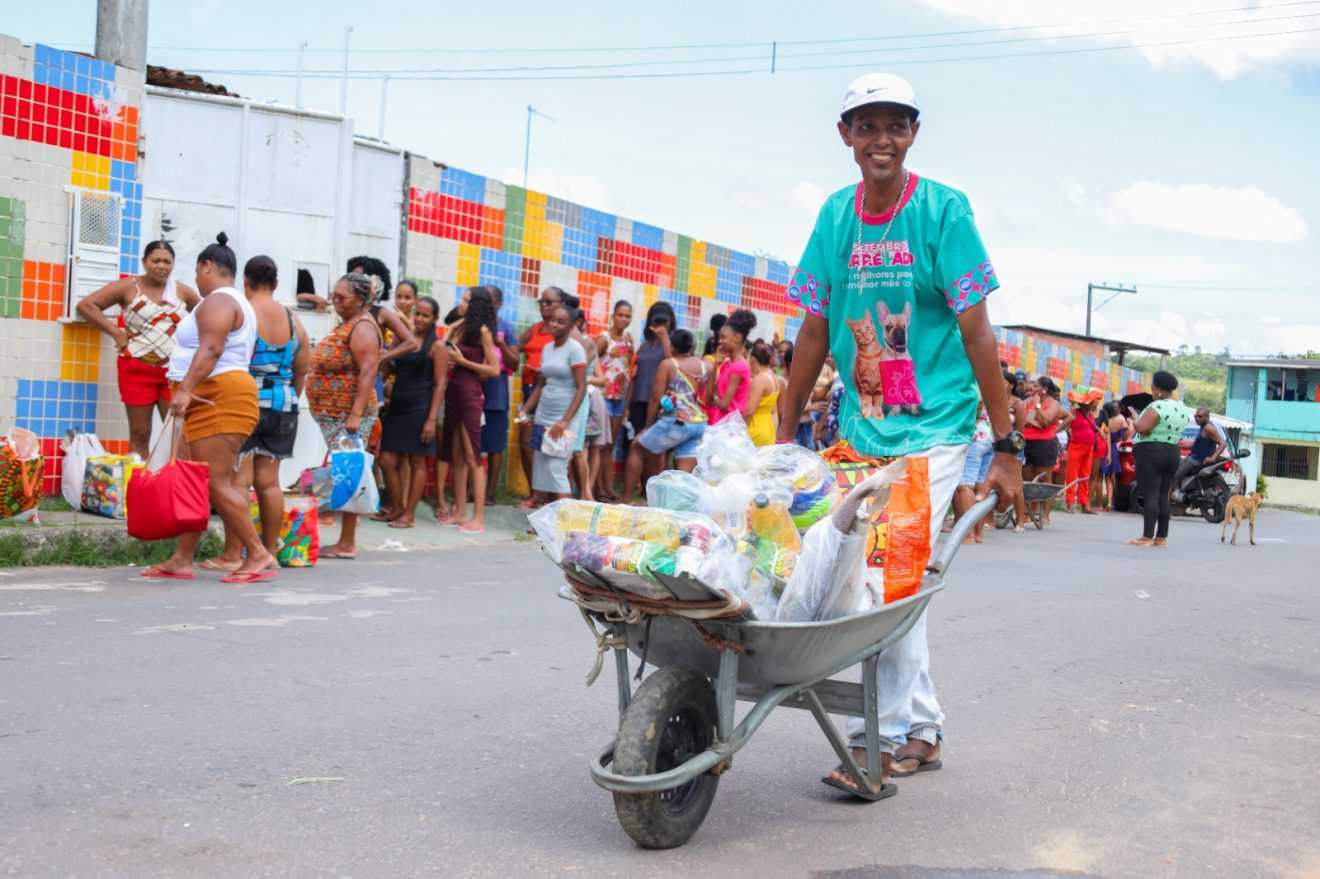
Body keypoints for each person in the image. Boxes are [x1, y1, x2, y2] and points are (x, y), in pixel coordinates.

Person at [775, 73, 1022, 795]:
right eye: (867, 125)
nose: (882, 139)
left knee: (884, 572)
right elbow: (816, 327)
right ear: (846, 135)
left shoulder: (944, 212)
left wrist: (1004, 449)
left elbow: (977, 332)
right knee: (863, 567)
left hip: (936, 429)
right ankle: (920, 725)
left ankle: (877, 739)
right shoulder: (834, 218)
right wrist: (785, 430)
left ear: (913, 133)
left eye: (896, 125)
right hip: (862, 426)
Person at [140, 233, 276, 583]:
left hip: (218, 396)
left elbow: (211, 349)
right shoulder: (229, 301)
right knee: (196, 481)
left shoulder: (218, 300)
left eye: (197, 272)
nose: (195, 281)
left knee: (215, 483)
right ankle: (182, 558)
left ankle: (257, 553)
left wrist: (184, 390)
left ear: (207, 267)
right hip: (211, 396)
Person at [205, 255, 312, 572]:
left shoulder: (245, 314)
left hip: (246, 402)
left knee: (239, 480)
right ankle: (266, 551)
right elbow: (302, 369)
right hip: (284, 403)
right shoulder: (294, 320)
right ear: (276, 284)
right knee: (270, 483)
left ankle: (232, 554)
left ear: (245, 283)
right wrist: (288, 399)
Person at [76, 240, 201, 458]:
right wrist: (116, 332)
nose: (161, 266)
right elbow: (87, 305)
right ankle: (138, 486)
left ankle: (177, 488)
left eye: (166, 262)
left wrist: (192, 347)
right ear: (144, 262)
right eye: (156, 260)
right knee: (140, 433)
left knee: (177, 434)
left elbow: (207, 316)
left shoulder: (182, 291)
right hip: (136, 371)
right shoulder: (128, 287)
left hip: (173, 374)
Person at [306, 272, 384, 559]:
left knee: (350, 473)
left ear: (361, 300)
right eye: (334, 294)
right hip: (336, 414)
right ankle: (345, 539)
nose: (335, 300)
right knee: (346, 472)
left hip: (348, 415)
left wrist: (355, 414)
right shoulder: (350, 323)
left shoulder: (362, 326)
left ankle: (347, 542)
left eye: (342, 296)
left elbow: (368, 371)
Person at [377, 296, 448, 528]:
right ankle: (397, 507)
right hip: (397, 406)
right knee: (386, 459)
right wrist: (390, 348)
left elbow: (440, 385)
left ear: (434, 320)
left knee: (417, 461)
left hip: (420, 409)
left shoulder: (436, 347)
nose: (419, 319)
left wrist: (431, 419)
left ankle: (409, 514)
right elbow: (386, 370)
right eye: (417, 313)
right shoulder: (404, 340)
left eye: (425, 315)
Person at [440, 287, 501, 533]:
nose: (461, 304)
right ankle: (460, 511)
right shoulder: (464, 327)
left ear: (476, 305)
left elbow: (495, 369)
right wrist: (453, 329)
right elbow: (445, 347)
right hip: (454, 392)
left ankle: (478, 518)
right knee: (458, 457)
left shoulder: (484, 332)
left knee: (473, 457)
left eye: (466, 300)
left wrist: (465, 363)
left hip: (469, 395)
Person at [622, 328, 708, 500]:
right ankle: (682, 508)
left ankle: (626, 499)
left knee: (637, 448)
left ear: (673, 347)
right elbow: (708, 395)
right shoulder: (706, 365)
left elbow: (655, 398)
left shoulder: (668, 365)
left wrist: (647, 427)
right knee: (685, 472)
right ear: (691, 346)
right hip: (699, 423)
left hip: (677, 422)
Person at [519, 301, 588, 507]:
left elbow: (581, 387)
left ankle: (565, 525)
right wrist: (525, 410)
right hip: (542, 416)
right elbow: (540, 385)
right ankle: (546, 521)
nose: (555, 324)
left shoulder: (575, 350)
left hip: (563, 419)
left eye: (561, 321)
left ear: (570, 326)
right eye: (552, 320)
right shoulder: (548, 349)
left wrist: (566, 420)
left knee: (557, 469)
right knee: (541, 469)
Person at [1129, 371, 1190, 547]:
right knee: (1163, 494)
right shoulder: (1181, 408)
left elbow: (1143, 428)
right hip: (1172, 452)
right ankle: (1161, 537)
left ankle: (1147, 537)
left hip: (1151, 452)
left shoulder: (1157, 406)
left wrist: (1135, 418)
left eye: (1153, 385)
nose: (1151, 388)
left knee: (1150, 495)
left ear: (1159, 389)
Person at [517, 288, 562, 496]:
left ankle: (549, 494)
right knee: (526, 443)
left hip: (551, 395)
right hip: (529, 390)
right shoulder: (534, 330)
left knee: (548, 446)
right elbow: (514, 349)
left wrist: (545, 370)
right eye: (541, 302)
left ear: (560, 304)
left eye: (549, 302)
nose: (544, 305)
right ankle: (535, 493)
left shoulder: (562, 333)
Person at [479, 286, 520, 506]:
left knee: (495, 445)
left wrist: (501, 343)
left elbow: (515, 363)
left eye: (491, 300)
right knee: (473, 443)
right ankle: (471, 489)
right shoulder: (475, 325)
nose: (488, 304)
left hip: (497, 394)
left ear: (499, 303)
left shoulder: (507, 328)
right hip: (476, 391)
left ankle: (491, 492)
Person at [597, 299, 634, 500]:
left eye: (627, 316)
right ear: (613, 315)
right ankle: (599, 488)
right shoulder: (603, 339)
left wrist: (627, 401)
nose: (624, 319)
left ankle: (608, 487)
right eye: (620, 315)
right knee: (600, 444)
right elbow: (591, 361)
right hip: (603, 397)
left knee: (611, 445)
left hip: (619, 398)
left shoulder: (629, 340)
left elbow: (628, 369)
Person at [1022, 376, 1071, 527]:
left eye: (1035, 386)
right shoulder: (1028, 401)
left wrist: (1037, 409)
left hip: (1045, 444)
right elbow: (1023, 419)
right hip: (1027, 442)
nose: (1032, 390)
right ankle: (1029, 512)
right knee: (1028, 479)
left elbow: (1045, 422)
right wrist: (1035, 422)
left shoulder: (1053, 403)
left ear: (1044, 389)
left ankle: (1045, 515)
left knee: (1044, 480)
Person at [579, 310, 611, 502]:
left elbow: (602, 380)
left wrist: (584, 379)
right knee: (580, 447)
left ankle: (588, 490)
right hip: (579, 399)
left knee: (595, 446)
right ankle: (582, 488)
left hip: (593, 399)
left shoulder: (590, 347)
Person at [951, 400, 993, 543]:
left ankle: (968, 533)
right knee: (980, 485)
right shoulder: (988, 383)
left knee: (965, 486)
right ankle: (978, 534)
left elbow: (977, 405)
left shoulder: (972, 383)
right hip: (987, 435)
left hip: (973, 436)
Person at [706, 309, 754, 425]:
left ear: (737, 338)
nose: (720, 341)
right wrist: (715, 365)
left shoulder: (739, 367)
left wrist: (714, 399)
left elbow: (724, 404)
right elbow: (709, 397)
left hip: (728, 427)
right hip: (719, 422)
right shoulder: (727, 364)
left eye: (723, 338)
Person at [1064, 396, 1100, 514]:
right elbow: (1066, 427)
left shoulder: (1090, 416)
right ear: (1086, 403)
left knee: (1085, 476)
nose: (1095, 405)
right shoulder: (1074, 413)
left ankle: (1085, 504)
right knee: (1072, 475)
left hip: (1089, 448)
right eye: (1093, 403)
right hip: (1076, 447)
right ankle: (1070, 503)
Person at [1173, 407, 1227, 485]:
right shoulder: (1203, 427)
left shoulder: (1208, 428)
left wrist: (1213, 458)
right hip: (1194, 458)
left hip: (1197, 460)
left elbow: (1223, 444)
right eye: (1196, 416)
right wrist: (1178, 444)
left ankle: (1167, 496)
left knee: (1173, 477)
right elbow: (1196, 444)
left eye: (1200, 416)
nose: (1197, 418)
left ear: (1207, 417)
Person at [744, 339, 780, 446]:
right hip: (769, 428)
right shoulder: (774, 378)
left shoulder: (759, 380)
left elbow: (749, 411)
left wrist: (739, 431)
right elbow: (774, 411)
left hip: (756, 429)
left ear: (753, 359)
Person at [1100, 402, 1128, 511]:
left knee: (1106, 477)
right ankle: (1112, 502)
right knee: (1111, 477)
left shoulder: (1106, 420)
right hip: (1114, 448)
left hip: (1106, 447)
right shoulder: (1121, 419)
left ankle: (1109, 502)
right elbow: (1124, 435)